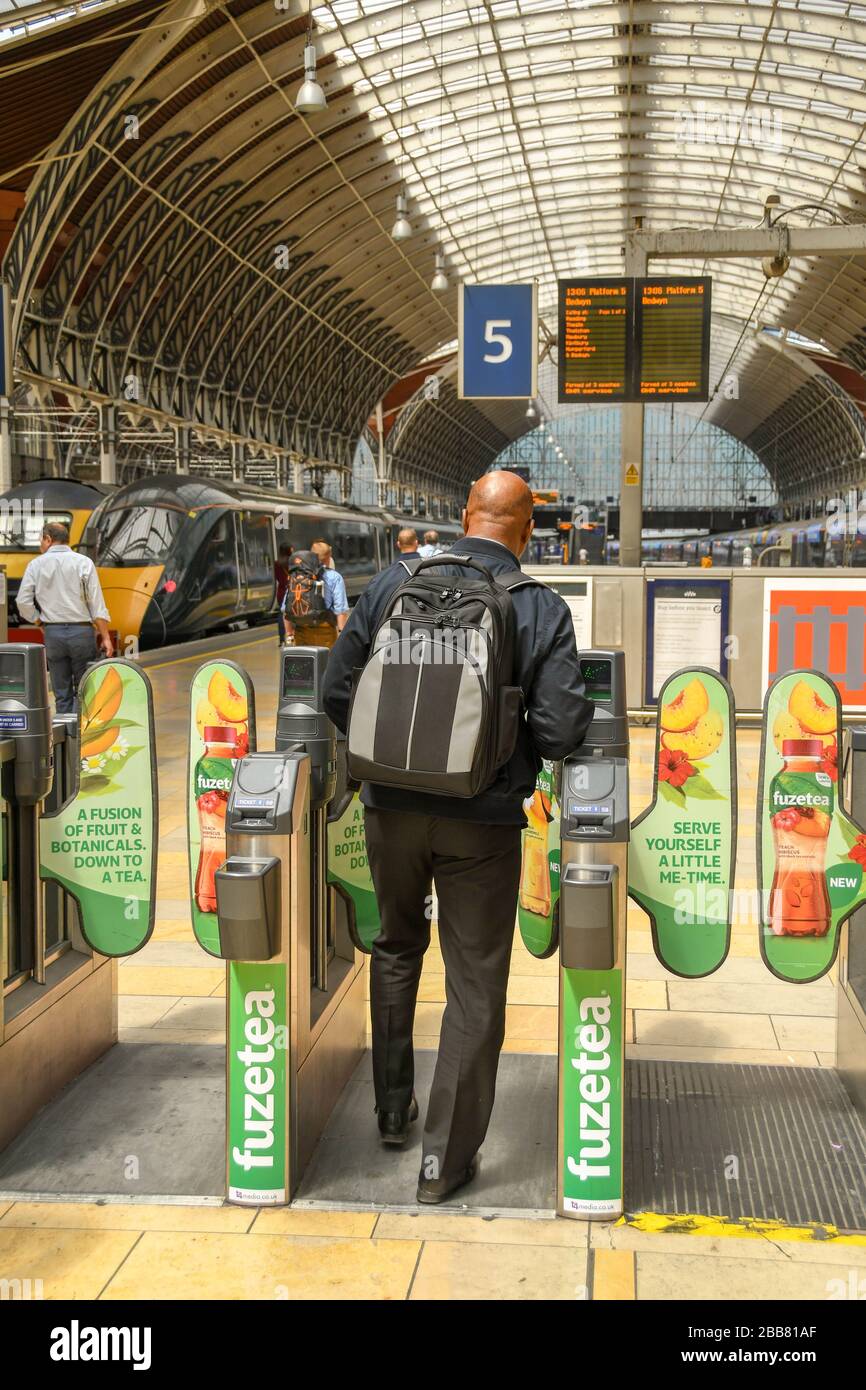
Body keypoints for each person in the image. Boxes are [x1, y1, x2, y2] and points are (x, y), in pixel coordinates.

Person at [323, 471, 593, 1204]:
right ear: (527, 530)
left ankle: (390, 1109)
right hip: (483, 820)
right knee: (475, 984)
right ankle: (443, 1163)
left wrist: (393, 756)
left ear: (463, 516)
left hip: (389, 810)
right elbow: (566, 731)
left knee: (397, 944)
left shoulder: (392, 583)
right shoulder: (537, 606)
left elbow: (333, 693)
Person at [17, 521, 113, 713]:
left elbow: (23, 601)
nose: (40, 546)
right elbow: (96, 604)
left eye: (41, 541)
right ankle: (82, 738)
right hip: (81, 632)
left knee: (61, 693)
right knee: (85, 690)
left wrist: (38, 620)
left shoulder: (36, 565)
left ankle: (65, 738)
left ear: (48, 539)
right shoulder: (84, 563)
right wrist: (106, 637)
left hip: (53, 633)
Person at [282, 541, 349, 648]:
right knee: (325, 663)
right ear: (328, 558)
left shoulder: (297, 577)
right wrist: (342, 636)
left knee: (306, 663)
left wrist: (289, 634)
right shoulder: (334, 577)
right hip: (325, 631)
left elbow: (285, 609)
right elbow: (340, 610)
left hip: (301, 631)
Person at [274, 541, 293, 645]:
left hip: (281, 591)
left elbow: (277, 577)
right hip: (291, 589)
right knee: (292, 612)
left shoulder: (277, 563)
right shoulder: (292, 562)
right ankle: (291, 635)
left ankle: (282, 639)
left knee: (281, 614)